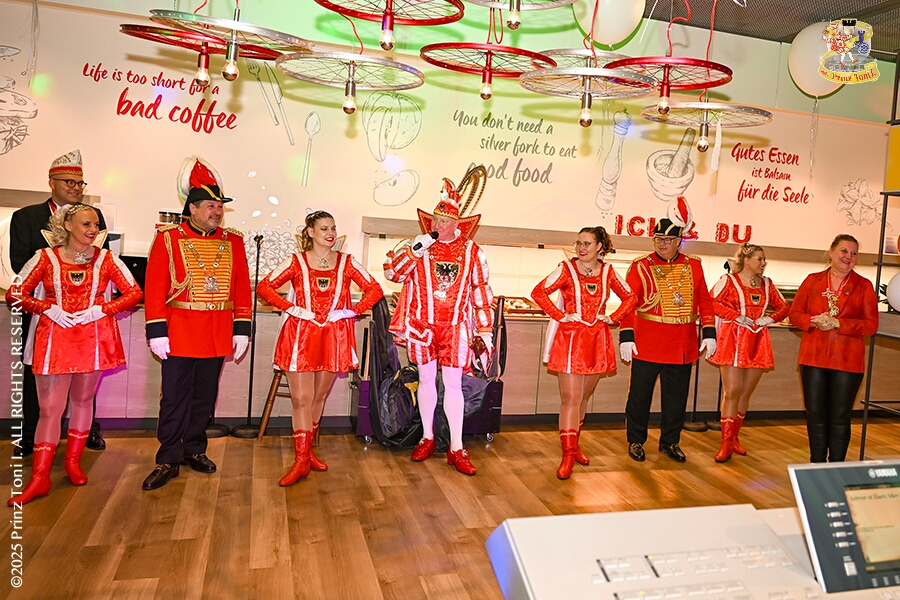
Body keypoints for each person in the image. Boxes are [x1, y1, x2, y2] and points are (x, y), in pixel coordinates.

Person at [5, 203, 141, 506]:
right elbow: (15, 294)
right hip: (54, 340)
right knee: (50, 410)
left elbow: (134, 293)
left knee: (82, 401)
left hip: (93, 339)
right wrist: (47, 308)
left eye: (96, 225)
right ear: (67, 225)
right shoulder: (44, 257)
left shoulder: (107, 259)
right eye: (86, 224)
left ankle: (73, 463)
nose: (93, 230)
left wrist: (102, 310)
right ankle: (40, 477)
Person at [142, 157, 252, 491]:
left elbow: (241, 288)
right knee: (174, 399)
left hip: (217, 333)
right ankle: (167, 458)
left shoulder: (234, 241)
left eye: (220, 206)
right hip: (179, 332)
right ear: (192, 208)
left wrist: (241, 329)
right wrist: (157, 330)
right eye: (210, 206)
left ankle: (194, 450)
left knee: (205, 399)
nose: (217, 212)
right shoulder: (168, 238)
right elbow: (155, 286)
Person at [256, 211, 383, 486]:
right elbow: (264, 287)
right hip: (300, 337)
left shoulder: (347, 262)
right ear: (310, 232)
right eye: (324, 228)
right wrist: (292, 308)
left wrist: (352, 311)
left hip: (333, 337)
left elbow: (375, 290)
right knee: (302, 399)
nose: (330, 233)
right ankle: (300, 460)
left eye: (333, 228)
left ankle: (308, 453)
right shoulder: (296, 261)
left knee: (318, 398)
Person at [384, 167, 493, 475]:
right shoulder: (417, 246)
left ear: (457, 223)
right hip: (422, 326)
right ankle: (427, 436)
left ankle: (457, 447)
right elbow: (393, 274)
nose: (437, 225)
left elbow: (481, 290)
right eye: (434, 219)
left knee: (454, 385)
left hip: (456, 328)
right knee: (426, 380)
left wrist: (485, 331)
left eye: (443, 220)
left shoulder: (472, 251)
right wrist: (413, 252)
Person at [8, 149, 110, 457]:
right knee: (38, 373)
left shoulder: (93, 216)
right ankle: (30, 436)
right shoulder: (26, 217)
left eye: (80, 183)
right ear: (51, 182)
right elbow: (19, 263)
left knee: (87, 372)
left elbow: (99, 260)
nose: (76, 188)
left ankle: (87, 430)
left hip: (85, 312)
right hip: (44, 307)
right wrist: (56, 286)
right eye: (69, 182)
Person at [531, 226, 636, 479]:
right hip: (570, 340)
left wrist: (612, 318)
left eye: (587, 243)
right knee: (571, 397)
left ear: (599, 246)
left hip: (596, 339)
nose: (581, 248)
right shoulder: (566, 269)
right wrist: (561, 315)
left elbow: (631, 297)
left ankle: (575, 445)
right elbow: (538, 292)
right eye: (578, 243)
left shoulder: (609, 272)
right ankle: (567, 454)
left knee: (584, 397)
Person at [619, 198, 716, 463]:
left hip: (682, 344)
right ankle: (636, 440)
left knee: (676, 398)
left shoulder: (694, 265)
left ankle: (670, 442)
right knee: (639, 396)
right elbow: (629, 302)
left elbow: (704, 300)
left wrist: (709, 332)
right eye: (658, 239)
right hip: (647, 342)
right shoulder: (641, 266)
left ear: (679, 240)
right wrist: (627, 335)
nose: (662, 243)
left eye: (668, 239)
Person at [788, 234, 878, 463]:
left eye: (854, 253)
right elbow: (794, 314)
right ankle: (816, 465)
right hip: (813, 357)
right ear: (831, 252)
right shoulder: (812, 281)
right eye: (844, 251)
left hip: (847, 361)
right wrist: (812, 320)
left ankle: (836, 467)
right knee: (815, 415)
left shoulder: (864, 285)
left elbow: (871, 325)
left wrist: (839, 323)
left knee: (840, 417)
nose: (849, 257)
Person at [708, 243, 790, 462]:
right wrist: (735, 316)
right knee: (732, 391)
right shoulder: (729, 280)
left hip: (757, 340)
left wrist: (769, 318)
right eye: (759, 259)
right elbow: (710, 302)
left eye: (764, 259)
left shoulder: (767, 284)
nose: (763, 263)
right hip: (733, 339)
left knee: (745, 392)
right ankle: (725, 443)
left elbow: (784, 307)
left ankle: (734, 438)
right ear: (746, 260)